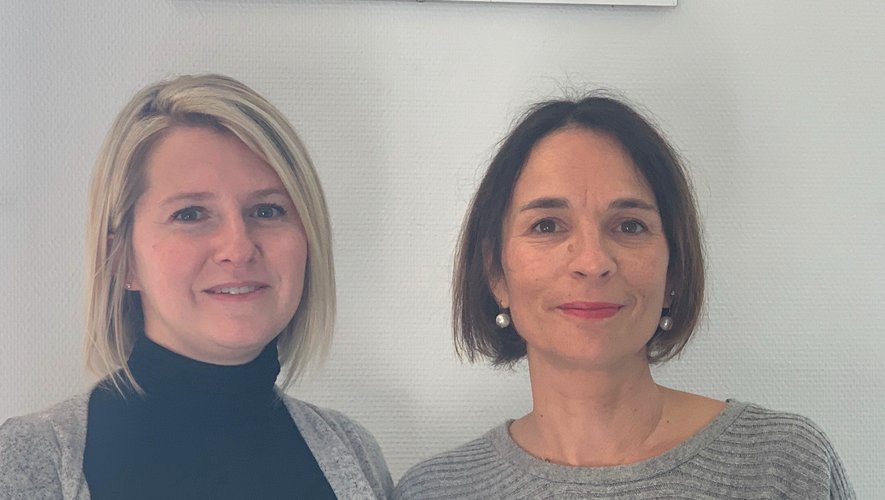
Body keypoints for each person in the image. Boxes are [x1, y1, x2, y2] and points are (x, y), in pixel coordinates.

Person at [394, 94, 854, 499]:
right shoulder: (434, 491)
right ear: (496, 273)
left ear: (674, 268)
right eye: (547, 225)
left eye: (630, 226)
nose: (592, 262)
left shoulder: (783, 464)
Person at [0, 74, 392, 499]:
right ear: (123, 260)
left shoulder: (353, 451)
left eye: (267, 209)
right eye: (190, 214)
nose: (238, 248)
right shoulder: (29, 462)